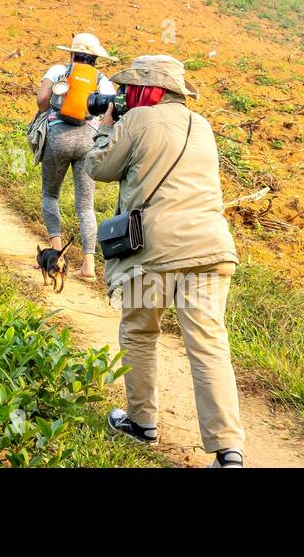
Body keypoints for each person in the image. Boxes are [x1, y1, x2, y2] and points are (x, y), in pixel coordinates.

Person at [83, 54, 244, 469]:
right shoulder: (202, 125)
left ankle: (142, 423)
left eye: (127, 90)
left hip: (150, 251)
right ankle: (229, 452)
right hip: (211, 248)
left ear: (145, 89)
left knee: (139, 332)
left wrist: (105, 126)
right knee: (209, 347)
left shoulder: (136, 122)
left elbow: (98, 168)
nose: (121, 97)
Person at [35, 33, 117, 280]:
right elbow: (109, 116)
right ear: (95, 58)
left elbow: (41, 100)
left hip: (58, 137)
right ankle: (89, 266)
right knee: (85, 205)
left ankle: (54, 255)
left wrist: (51, 107)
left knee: (50, 195)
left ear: (71, 53)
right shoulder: (102, 81)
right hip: (88, 140)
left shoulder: (58, 70)